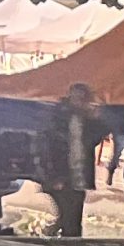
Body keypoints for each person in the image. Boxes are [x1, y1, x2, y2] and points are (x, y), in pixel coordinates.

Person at [39, 83, 101, 238]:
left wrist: (96, 120)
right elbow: (49, 146)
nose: (80, 101)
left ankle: (60, 235)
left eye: (83, 98)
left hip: (78, 176)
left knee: (72, 217)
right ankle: (66, 244)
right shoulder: (60, 117)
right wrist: (54, 175)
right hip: (63, 174)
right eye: (77, 97)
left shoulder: (84, 119)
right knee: (69, 218)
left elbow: (94, 139)